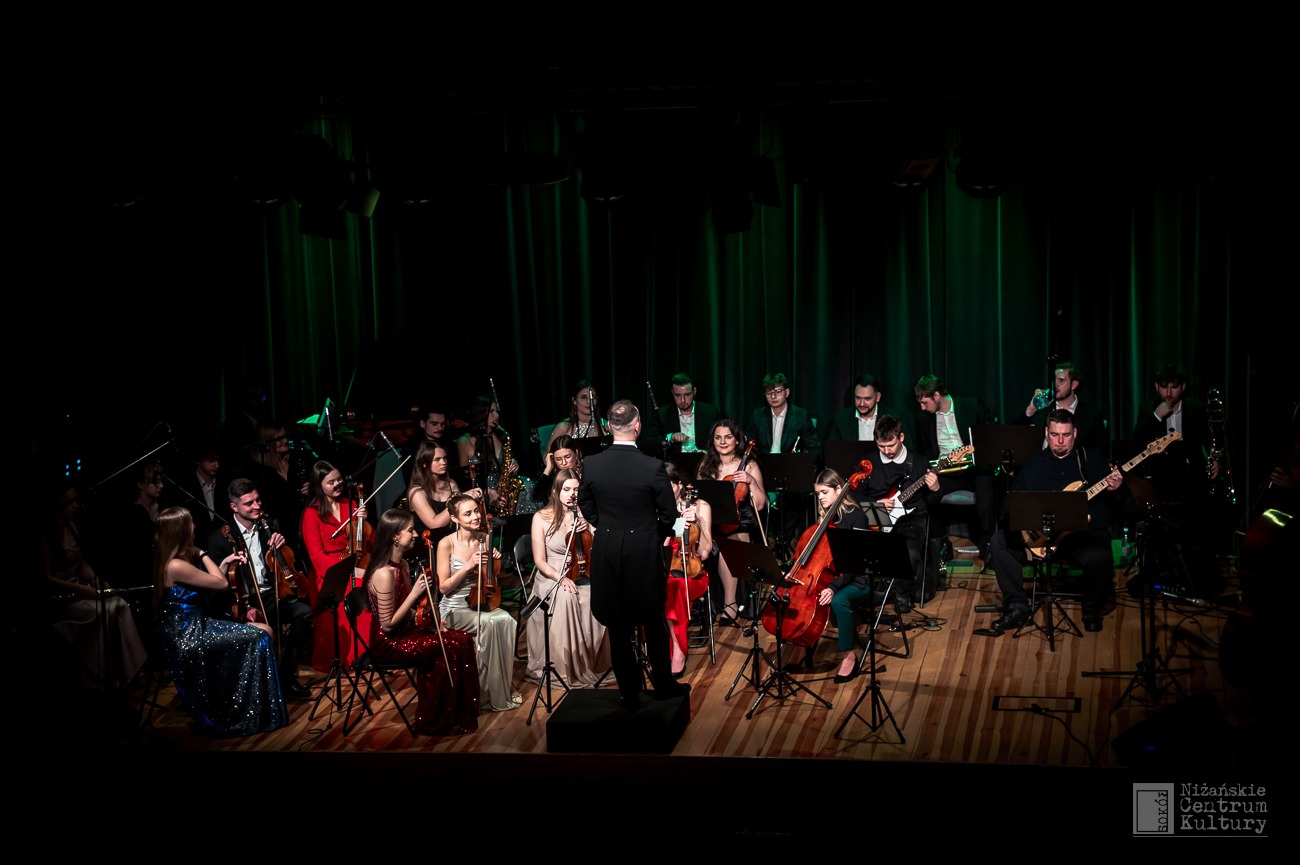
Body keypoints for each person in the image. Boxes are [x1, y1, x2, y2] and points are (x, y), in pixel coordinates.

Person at [577, 399, 688, 711]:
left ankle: (628, 693)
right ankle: (663, 686)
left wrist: (607, 526)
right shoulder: (652, 467)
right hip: (644, 552)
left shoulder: (593, 464)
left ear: (608, 426)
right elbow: (669, 515)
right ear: (637, 427)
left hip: (608, 550)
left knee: (618, 626)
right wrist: (652, 532)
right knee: (652, 620)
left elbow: (585, 503)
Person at [986, 409, 1124, 633]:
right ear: (1046, 433)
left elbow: (1111, 511)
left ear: (1075, 433)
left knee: (1101, 554)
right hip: (1040, 537)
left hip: (1077, 537)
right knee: (999, 543)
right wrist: (1025, 526)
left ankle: (1091, 609)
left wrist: (1112, 493)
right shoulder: (1033, 464)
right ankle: (1017, 606)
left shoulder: (1092, 461)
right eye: (1055, 435)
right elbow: (1010, 505)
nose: (1060, 441)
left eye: (1066, 435)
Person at [153, 506, 285, 736]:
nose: (194, 526)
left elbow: (210, 587)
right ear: (182, 531)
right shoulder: (176, 565)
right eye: (190, 523)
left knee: (264, 630)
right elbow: (221, 584)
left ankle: (257, 704)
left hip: (197, 626)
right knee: (262, 635)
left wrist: (222, 564)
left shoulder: (176, 560)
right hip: (189, 635)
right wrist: (202, 553)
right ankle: (252, 709)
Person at [364, 508, 480, 735]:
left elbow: (409, 613)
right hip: (389, 643)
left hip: (406, 631)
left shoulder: (403, 565)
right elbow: (387, 625)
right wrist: (415, 594)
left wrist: (431, 623)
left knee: (463, 639)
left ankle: (459, 711)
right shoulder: (384, 573)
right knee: (447, 646)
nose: (416, 534)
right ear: (395, 536)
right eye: (410, 530)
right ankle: (436, 718)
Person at [207, 478, 315, 699]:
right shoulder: (220, 539)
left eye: (257, 500)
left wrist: (282, 542)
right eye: (249, 503)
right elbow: (218, 585)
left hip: (272, 594)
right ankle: (258, 687)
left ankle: (286, 676)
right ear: (234, 507)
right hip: (244, 602)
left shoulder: (269, 525)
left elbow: (288, 557)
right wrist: (246, 607)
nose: (257, 506)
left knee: (305, 613)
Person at [39, 484, 148, 690]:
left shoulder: (72, 527)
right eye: (69, 502)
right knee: (103, 611)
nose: (76, 506)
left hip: (80, 588)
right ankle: (106, 678)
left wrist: (97, 581)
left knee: (119, 604)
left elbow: (81, 564)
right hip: (61, 597)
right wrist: (84, 590)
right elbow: (46, 578)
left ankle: (130, 671)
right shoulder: (44, 535)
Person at [436, 493, 521, 711]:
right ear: (454, 519)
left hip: (479, 601)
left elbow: (490, 578)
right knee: (492, 623)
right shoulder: (446, 544)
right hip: (454, 607)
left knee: (507, 620)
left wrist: (494, 560)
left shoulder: (484, 538)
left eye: (476, 511)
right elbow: (443, 587)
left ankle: (500, 685)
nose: (475, 516)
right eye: (467, 514)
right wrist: (467, 566)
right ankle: (485, 690)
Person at [525, 468, 610, 686]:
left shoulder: (586, 514)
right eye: (566, 489)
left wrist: (589, 528)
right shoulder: (541, 518)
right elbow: (539, 561)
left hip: (581, 571)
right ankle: (567, 667)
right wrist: (560, 578)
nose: (572, 494)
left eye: (576, 489)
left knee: (597, 594)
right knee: (566, 597)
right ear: (556, 491)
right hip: (552, 574)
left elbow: (599, 547)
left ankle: (593, 663)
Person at [856, 415, 943, 612]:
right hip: (876, 512)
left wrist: (936, 488)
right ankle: (869, 590)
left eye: (891, 446)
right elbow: (854, 495)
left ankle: (900, 594)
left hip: (911, 518)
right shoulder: (868, 462)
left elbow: (931, 502)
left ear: (901, 437)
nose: (886, 451)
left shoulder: (918, 462)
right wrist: (875, 503)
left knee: (909, 553)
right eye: (881, 446)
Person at [1131, 363, 1218, 541]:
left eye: (1174, 387)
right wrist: (1156, 417)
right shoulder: (1148, 409)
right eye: (1164, 387)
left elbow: (1210, 440)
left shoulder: (1196, 409)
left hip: (1191, 475)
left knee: (1199, 515)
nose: (1169, 393)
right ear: (1157, 387)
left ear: (1183, 387)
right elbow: (1136, 443)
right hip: (1160, 477)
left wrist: (1215, 459)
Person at [912, 373, 998, 554]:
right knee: (926, 488)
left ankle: (989, 544)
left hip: (973, 470)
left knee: (985, 480)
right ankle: (941, 543)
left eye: (925, 402)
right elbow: (924, 451)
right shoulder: (925, 418)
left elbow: (992, 435)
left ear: (936, 396)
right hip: (946, 472)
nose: (922, 407)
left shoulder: (971, 406)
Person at [300, 460, 370, 671]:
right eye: (331, 482)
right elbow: (316, 557)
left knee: (368, 585)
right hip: (329, 572)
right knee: (351, 589)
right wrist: (346, 569)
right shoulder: (311, 514)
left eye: (339, 479)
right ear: (319, 485)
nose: (338, 484)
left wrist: (363, 522)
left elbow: (366, 541)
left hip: (353, 564)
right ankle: (342, 658)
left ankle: (363, 654)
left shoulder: (351, 505)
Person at [697, 418, 766, 625]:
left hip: (741, 521)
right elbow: (699, 498)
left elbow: (760, 504)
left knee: (729, 543)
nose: (723, 442)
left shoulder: (750, 465)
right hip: (711, 520)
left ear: (737, 440)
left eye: (728, 437)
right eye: (718, 438)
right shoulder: (706, 465)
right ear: (713, 441)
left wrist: (750, 481)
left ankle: (730, 603)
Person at [807, 468, 871, 682]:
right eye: (818, 493)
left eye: (824, 492)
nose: (820, 497)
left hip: (858, 579)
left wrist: (833, 587)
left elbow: (854, 564)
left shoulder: (856, 516)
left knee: (838, 600)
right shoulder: (826, 517)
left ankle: (849, 657)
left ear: (839, 489)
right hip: (834, 577)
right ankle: (801, 647)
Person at [663, 463, 712, 678]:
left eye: (669, 486)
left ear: (680, 485)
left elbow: (705, 552)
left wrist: (697, 523)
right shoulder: (656, 508)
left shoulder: (701, 506)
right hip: (665, 569)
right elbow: (659, 549)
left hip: (693, 572)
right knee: (659, 587)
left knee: (674, 588)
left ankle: (678, 651)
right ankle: (659, 648)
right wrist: (674, 527)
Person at [1015, 361, 1108, 453]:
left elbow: (1101, 451)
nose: (1055, 384)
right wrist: (1031, 409)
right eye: (1054, 380)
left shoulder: (1091, 415)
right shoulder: (1043, 411)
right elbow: (1012, 434)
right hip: (1042, 461)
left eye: (1061, 380)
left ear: (1073, 385)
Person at [641, 372, 725, 456]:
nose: (682, 400)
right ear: (672, 393)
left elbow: (721, 440)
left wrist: (707, 454)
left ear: (694, 391)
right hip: (673, 462)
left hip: (703, 461)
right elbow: (646, 443)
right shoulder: (662, 414)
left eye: (687, 394)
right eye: (677, 395)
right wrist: (670, 437)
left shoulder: (710, 413)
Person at [749, 372, 821, 464]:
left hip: (791, 465)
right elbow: (750, 447)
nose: (773, 396)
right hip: (763, 464)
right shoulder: (757, 415)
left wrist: (802, 465)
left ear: (787, 393)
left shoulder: (801, 416)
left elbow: (815, 449)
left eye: (778, 392)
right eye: (769, 393)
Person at [824, 374, 895, 443]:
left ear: (877, 397)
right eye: (858, 398)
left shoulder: (893, 418)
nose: (862, 404)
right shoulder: (841, 419)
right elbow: (832, 448)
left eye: (867, 399)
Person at [546, 379, 609, 450]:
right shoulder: (563, 428)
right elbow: (549, 454)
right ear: (574, 401)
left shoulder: (605, 426)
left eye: (593, 397)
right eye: (583, 397)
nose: (589, 402)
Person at [399, 404, 450, 487]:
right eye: (434, 424)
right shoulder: (411, 449)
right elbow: (411, 480)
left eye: (442, 424)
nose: (440, 428)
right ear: (422, 423)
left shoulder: (448, 444)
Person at [529, 434, 584, 506]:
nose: (564, 463)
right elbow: (536, 498)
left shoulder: (586, 472)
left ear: (576, 453)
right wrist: (548, 469)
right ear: (553, 458)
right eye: (558, 459)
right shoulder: (552, 475)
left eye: (567, 457)